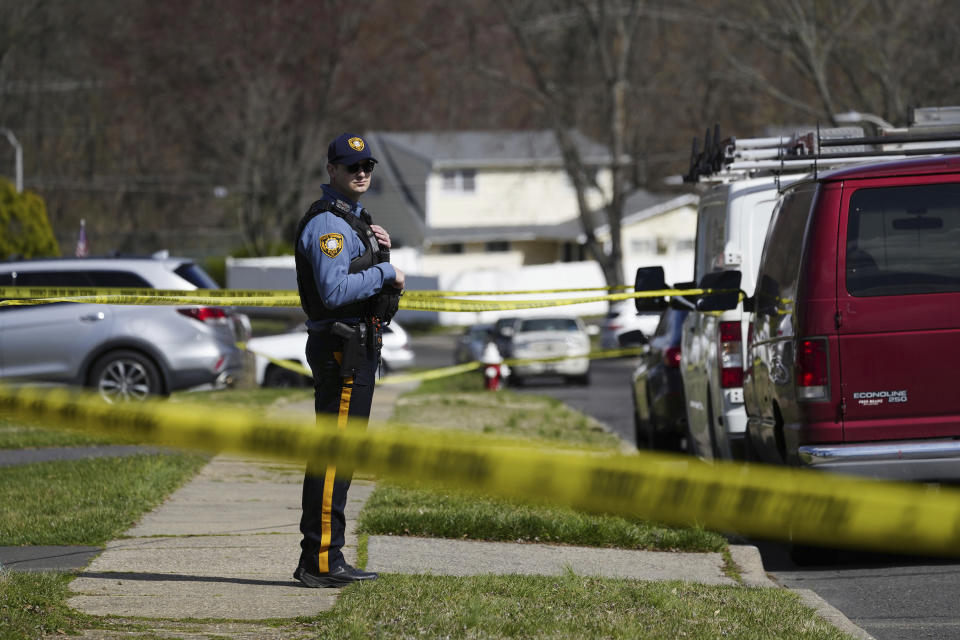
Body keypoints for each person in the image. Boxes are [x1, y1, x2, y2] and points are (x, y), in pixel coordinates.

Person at [293, 133, 405, 588]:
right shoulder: (329, 226)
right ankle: (320, 560)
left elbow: (370, 286)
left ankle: (326, 556)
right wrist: (385, 271)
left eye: (367, 166)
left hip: (357, 347)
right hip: (341, 349)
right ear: (331, 171)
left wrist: (383, 256)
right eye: (350, 166)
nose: (361, 173)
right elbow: (335, 290)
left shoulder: (354, 221)